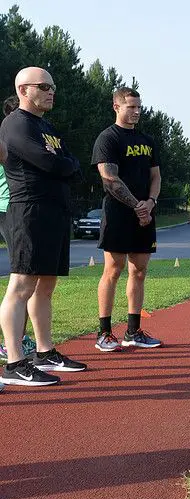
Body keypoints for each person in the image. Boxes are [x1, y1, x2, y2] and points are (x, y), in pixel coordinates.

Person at [0, 66, 87, 386]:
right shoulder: (15, 125)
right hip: (29, 212)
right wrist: (65, 165)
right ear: (24, 90)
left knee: (45, 286)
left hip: (53, 212)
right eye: (44, 86)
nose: (51, 91)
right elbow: (51, 162)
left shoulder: (45, 126)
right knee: (21, 286)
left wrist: (66, 165)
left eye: (52, 86)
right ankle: (14, 363)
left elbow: (70, 163)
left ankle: (44, 351)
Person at [91, 87, 162, 351]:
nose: (136, 112)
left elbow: (156, 177)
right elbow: (109, 178)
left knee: (139, 270)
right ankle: (104, 333)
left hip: (145, 212)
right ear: (116, 107)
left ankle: (133, 331)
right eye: (131, 107)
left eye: (139, 107)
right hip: (119, 213)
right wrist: (136, 206)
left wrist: (150, 204)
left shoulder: (147, 140)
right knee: (113, 270)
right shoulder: (107, 138)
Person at [0, 95, 38, 361]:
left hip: (11, 208)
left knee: (26, 278)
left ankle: (17, 340)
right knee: (22, 278)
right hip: (11, 208)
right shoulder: (14, 137)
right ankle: (13, 343)